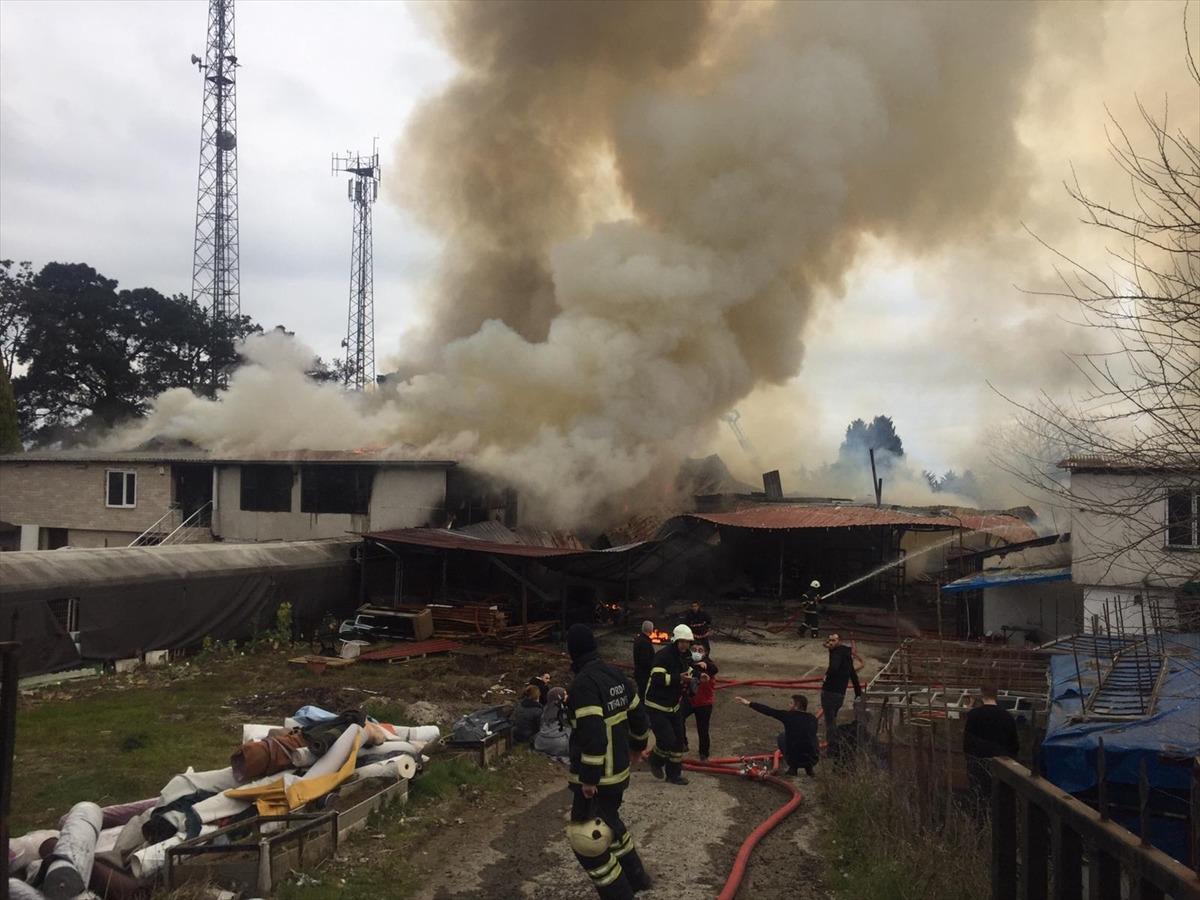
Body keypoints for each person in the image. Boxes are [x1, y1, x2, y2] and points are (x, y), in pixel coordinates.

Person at [564, 624, 653, 898]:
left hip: (599, 778)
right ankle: (637, 879)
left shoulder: (583, 686)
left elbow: (593, 735)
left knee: (586, 839)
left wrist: (589, 779)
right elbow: (639, 716)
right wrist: (638, 747)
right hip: (619, 773)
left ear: (572, 653)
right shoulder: (616, 675)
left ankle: (620, 894)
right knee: (610, 822)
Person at [644, 624, 694, 785]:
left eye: (687, 642)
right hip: (656, 705)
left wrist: (698, 677)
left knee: (679, 741)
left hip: (674, 705)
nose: (685, 645)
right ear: (676, 640)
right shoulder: (663, 656)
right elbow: (657, 678)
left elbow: (690, 671)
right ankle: (655, 761)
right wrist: (678, 678)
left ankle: (674, 774)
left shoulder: (686, 656)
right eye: (682, 641)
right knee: (667, 740)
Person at [735, 694, 819, 776]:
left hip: (795, 758)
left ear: (796, 706)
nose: (788, 705)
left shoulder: (788, 716)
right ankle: (809, 768)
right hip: (812, 758)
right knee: (811, 738)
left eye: (791, 703)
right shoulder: (813, 718)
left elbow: (769, 711)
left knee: (782, 737)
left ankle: (793, 768)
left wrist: (749, 703)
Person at [962, 684, 1019, 802]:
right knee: (999, 796)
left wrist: (968, 757)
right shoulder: (1007, 716)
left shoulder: (974, 715)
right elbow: (1014, 743)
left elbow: (967, 740)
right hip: (1001, 762)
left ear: (982, 695)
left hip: (978, 761)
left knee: (979, 794)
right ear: (996, 696)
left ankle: (979, 817)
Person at [820, 632, 862, 742]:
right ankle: (834, 744)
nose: (830, 642)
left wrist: (827, 675)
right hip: (840, 694)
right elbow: (853, 674)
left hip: (830, 691)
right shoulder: (846, 654)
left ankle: (832, 747)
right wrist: (858, 693)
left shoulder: (836, 653)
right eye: (829, 640)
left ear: (840, 641)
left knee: (830, 723)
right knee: (833, 718)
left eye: (833, 640)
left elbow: (834, 667)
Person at [682, 643, 718, 760]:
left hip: (704, 703)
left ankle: (704, 753)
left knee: (703, 729)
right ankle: (683, 743)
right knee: (677, 717)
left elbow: (714, 669)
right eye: (694, 650)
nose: (696, 652)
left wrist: (705, 664)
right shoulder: (687, 663)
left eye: (700, 650)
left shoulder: (709, 666)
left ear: (705, 653)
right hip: (690, 700)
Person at [534, 686, 571, 759]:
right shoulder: (563, 711)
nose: (567, 696)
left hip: (540, 742)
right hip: (559, 744)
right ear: (559, 697)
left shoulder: (545, 709)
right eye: (565, 694)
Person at [632, 621, 656, 701]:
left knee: (641, 693)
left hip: (639, 672)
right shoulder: (645, 642)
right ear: (651, 630)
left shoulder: (638, 639)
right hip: (644, 674)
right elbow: (645, 660)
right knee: (643, 695)